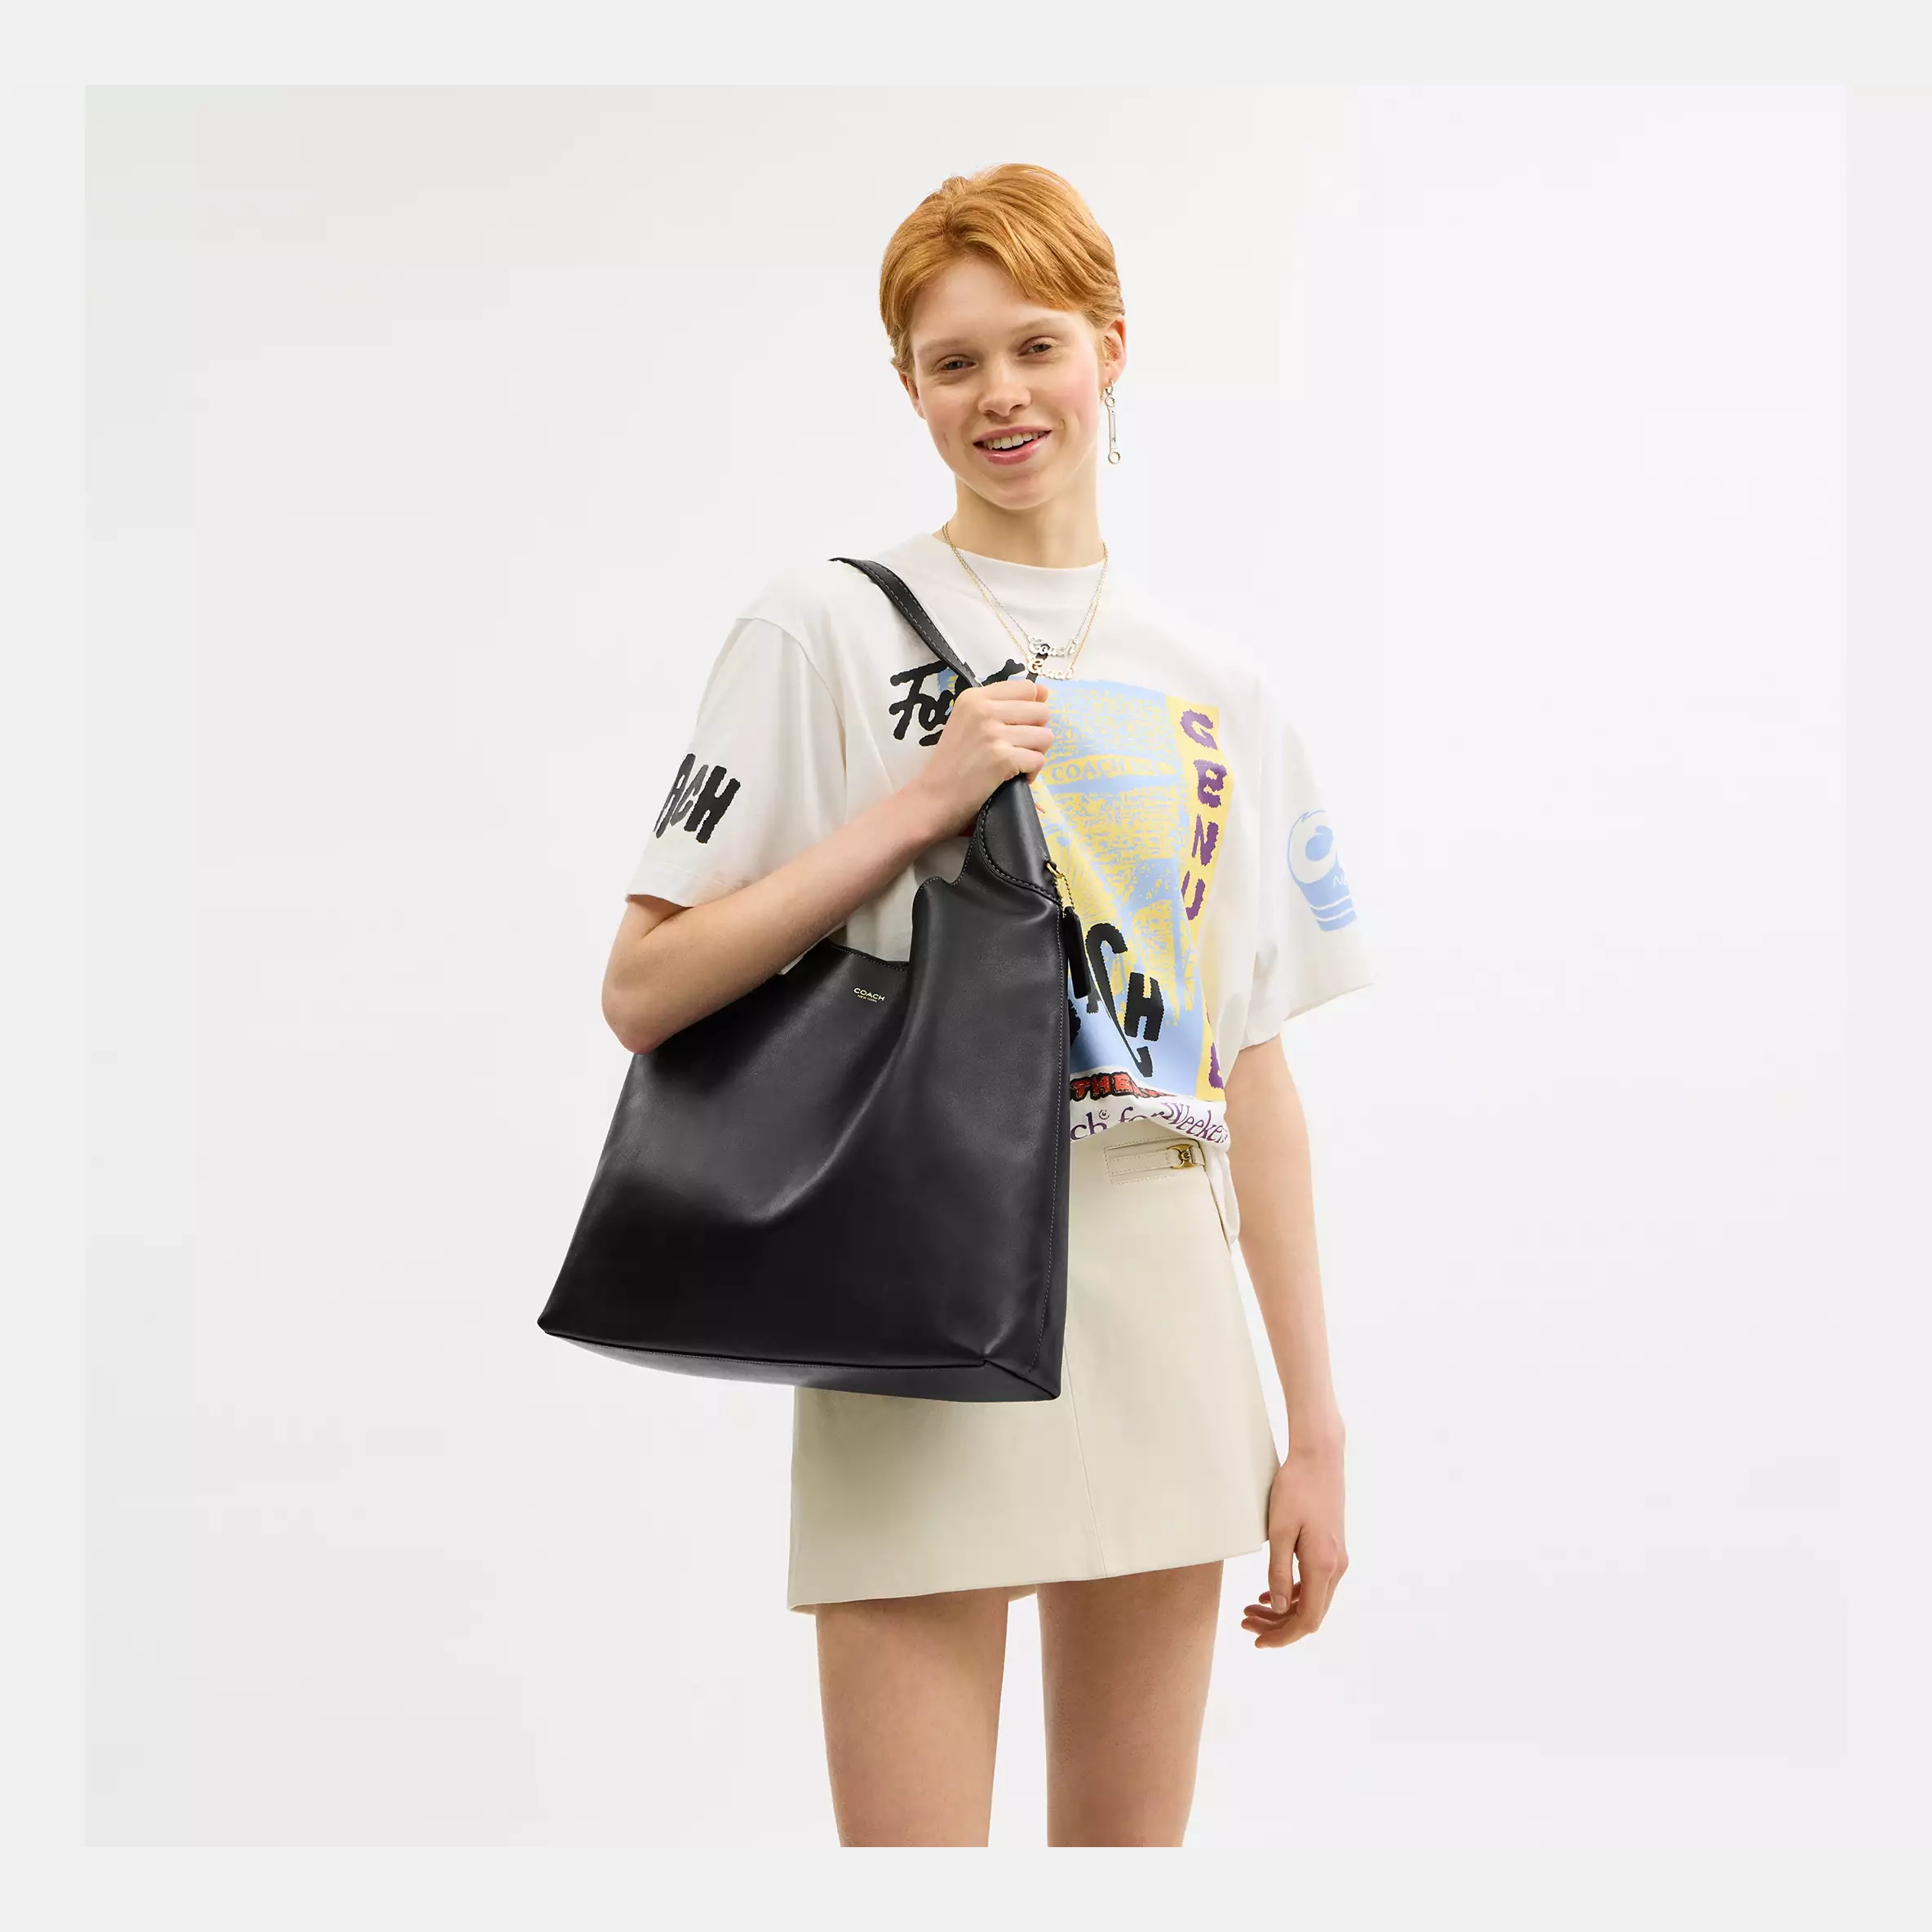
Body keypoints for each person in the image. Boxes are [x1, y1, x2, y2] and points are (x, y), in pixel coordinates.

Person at [601, 162, 1373, 1847]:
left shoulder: (1215, 681)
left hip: (1158, 1285)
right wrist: (916, 806)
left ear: (1110, 348)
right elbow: (644, 987)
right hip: (912, 1278)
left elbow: (1250, 1069)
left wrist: (1311, 1428)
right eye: (952, 362)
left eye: (1035, 346)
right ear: (907, 387)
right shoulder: (818, 625)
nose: (1001, 395)